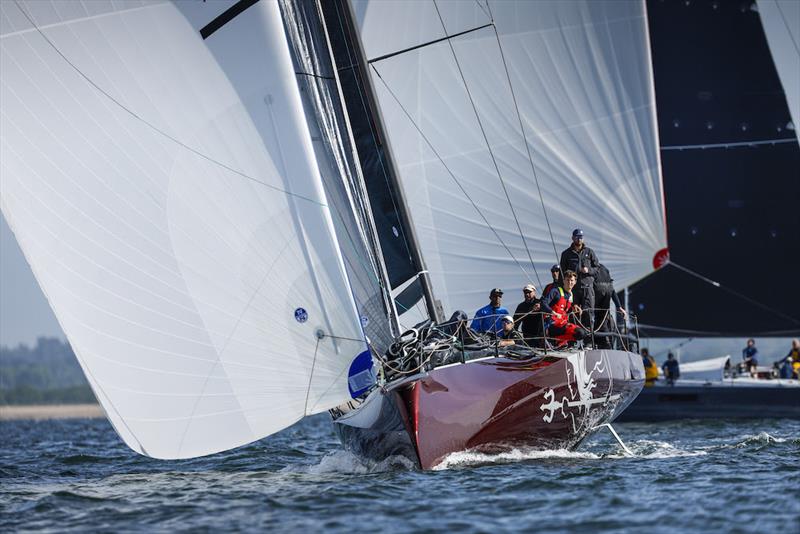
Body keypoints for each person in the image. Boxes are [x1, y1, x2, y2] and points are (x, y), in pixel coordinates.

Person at [560, 229, 600, 329]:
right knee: (572, 312)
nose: (579, 239)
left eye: (581, 237)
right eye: (577, 237)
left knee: (588, 313)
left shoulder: (589, 252)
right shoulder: (566, 254)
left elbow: (597, 268)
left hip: (587, 288)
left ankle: (588, 341)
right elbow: (562, 272)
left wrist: (588, 270)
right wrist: (562, 288)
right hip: (573, 289)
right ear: (573, 238)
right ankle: (572, 340)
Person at [541, 270, 587, 347]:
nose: (569, 282)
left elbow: (567, 308)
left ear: (575, 282)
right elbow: (543, 303)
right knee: (580, 332)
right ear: (563, 281)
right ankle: (556, 341)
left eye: (572, 280)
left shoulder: (571, 295)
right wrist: (553, 313)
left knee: (583, 333)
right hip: (552, 325)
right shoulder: (556, 291)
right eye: (567, 280)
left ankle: (559, 342)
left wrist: (574, 307)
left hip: (563, 324)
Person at [593, 264, 627, 348]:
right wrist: (619, 307)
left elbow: (612, 291)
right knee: (606, 336)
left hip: (602, 315)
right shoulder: (602, 270)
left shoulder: (601, 270)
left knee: (609, 333)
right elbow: (612, 291)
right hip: (595, 315)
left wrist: (619, 307)